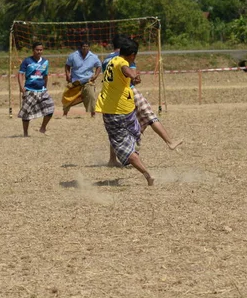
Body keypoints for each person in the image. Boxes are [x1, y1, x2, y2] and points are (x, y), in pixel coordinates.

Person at [102, 35, 182, 168]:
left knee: (117, 129)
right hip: (129, 93)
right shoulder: (125, 59)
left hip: (112, 97)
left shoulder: (106, 60)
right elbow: (131, 76)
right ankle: (169, 142)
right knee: (150, 116)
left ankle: (112, 159)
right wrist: (135, 77)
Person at [95, 38, 155, 186]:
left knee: (124, 149)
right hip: (125, 110)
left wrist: (132, 76)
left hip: (114, 110)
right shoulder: (123, 63)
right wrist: (134, 76)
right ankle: (133, 148)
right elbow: (126, 70)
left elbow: (124, 71)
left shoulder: (112, 60)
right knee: (132, 137)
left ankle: (147, 175)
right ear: (132, 55)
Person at [17, 42, 55, 137]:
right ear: (33, 50)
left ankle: (43, 128)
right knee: (26, 113)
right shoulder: (27, 61)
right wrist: (22, 88)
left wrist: (45, 87)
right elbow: (20, 74)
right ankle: (25, 133)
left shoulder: (45, 62)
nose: (39, 51)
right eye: (37, 50)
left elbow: (45, 76)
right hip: (30, 89)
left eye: (41, 50)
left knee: (50, 108)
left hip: (42, 90)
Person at [62, 41, 102, 118]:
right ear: (80, 47)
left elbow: (99, 66)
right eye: (83, 46)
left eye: (87, 46)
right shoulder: (73, 56)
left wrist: (96, 75)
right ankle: (65, 114)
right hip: (75, 81)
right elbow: (67, 66)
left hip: (88, 81)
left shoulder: (93, 57)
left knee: (91, 95)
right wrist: (67, 75)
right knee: (68, 97)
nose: (85, 48)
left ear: (89, 47)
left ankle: (93, 114)